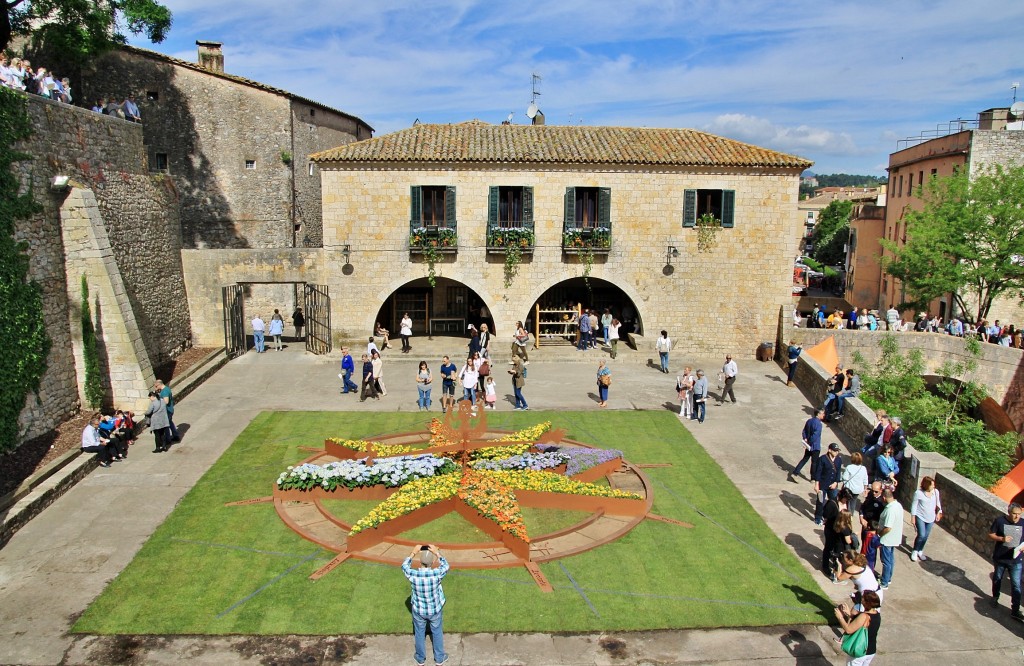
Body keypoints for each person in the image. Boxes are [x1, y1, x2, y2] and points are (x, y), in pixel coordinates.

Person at [402, 544, 450, 666]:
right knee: (437, 632)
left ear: (420, 561)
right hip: (435, 609)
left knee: (419, 632)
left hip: (419, 610)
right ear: (432, 562)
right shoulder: (436, 574)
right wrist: (437, 553)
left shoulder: (413, 574)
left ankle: (420, 658)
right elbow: (446, 565)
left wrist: (413, 552)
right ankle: (439, 658)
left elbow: (404, 566)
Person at [989, 502, 1024, 621]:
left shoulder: (1023, 523)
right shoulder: (1000, 521)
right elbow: (991, 534)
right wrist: (1002, 539)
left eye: (1019, 514)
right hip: (1001, 558)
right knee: (997, 578)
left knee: (1016, 586)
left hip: (1016, 560)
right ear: (1009, 512)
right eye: (1014, 514)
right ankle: (995, 597)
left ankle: (1015, 610)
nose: (1017, 516)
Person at [834, 590, 881, 665]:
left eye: (863, 599)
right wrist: (850, 614)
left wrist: (840, 617)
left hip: (859, 651)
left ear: (867, 603)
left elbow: (848, 630)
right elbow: (861, 622)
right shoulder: (877, 614)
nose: (861, 601)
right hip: (871, 651)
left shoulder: (864, 616)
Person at [910, 476, 942, 562]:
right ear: (926, 485)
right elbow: (914, 505)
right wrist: (913, 517)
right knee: (921, 535)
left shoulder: (935, 492)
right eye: (932, 485)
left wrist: (939, 512)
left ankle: (920, 550)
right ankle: (915, 550)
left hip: (931, 517)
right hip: (920, 516)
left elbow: (938, 502)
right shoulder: (918, 493)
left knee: (926, 536)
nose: (933, 487)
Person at [877, 489, 904, 590]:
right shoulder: (898, 505)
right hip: (894, 538)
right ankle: (888, 578)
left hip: (887, 539)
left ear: (884, 497)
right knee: (891, 560)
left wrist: (879, 535)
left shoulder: (890, 510)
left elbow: (888, 527)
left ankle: (884, 582)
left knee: (886, 561)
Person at [790, 408, 824, 481]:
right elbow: (815, 435)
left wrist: (805, 439)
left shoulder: (809, 421)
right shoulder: (819, 424)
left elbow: (804, 431)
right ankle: (813, 478)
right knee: (814, 462)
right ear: (818, 414)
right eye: (822, 413)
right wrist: (809, 442)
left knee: (805, 459)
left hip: (808, 446)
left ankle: (795, 473)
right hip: (815, 446)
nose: (823, 415)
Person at [813, 443, 843, 525]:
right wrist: (816, 484)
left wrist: (836, 482)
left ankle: (831, 517)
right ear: (829, 450)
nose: (836, 452)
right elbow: (818, 472)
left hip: (833, 484)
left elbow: (838, 473)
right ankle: (818, 517)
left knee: (834, 501)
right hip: (823, 483)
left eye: (837, 451)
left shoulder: (838, 460)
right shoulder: (822, 459)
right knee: (820, 501)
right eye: (835, 451)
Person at [841, 451, 869, 517]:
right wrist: (865, 488)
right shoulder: (863, 468)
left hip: (849, 489)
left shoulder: (849, 467)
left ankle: (845, 516)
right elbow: (865, 479)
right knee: (853, 502)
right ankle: (851, 516)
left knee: (846, 503)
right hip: (857, 490)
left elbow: (845, 478)